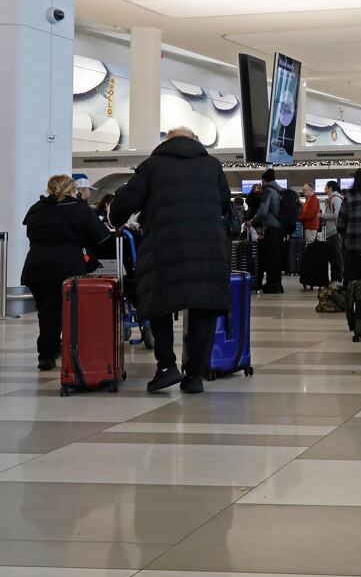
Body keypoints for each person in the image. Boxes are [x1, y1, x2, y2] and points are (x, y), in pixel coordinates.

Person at [110, 127, 232, 393]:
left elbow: (121, 209)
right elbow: (224, 203)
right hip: (208, 250)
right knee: (204, 306)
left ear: (167, 141)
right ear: (196, 140)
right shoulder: (212, 166)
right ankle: (195, 375)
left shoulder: (152, 165)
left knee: (158, 303)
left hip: (164, 247)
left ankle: (167, 366)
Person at [21, 175, 111, 371]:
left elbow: (30, 234)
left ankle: (49, 351)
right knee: (60, 312)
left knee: (46, 311)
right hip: (66, 266)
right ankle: (53, 353)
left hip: (35, 266)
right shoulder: (79, 209)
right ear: (73, 190)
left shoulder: (37, 209)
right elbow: (101, 237)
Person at [253, 169, 286, 294]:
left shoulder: (267, 191)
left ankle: (272, 285)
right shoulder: (280, 190)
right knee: (276, 257)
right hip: (280, 228)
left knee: (271, 257)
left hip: (271, 228)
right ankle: (277, 283)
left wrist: (253, 221)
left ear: (264, 180)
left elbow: (263, 211)